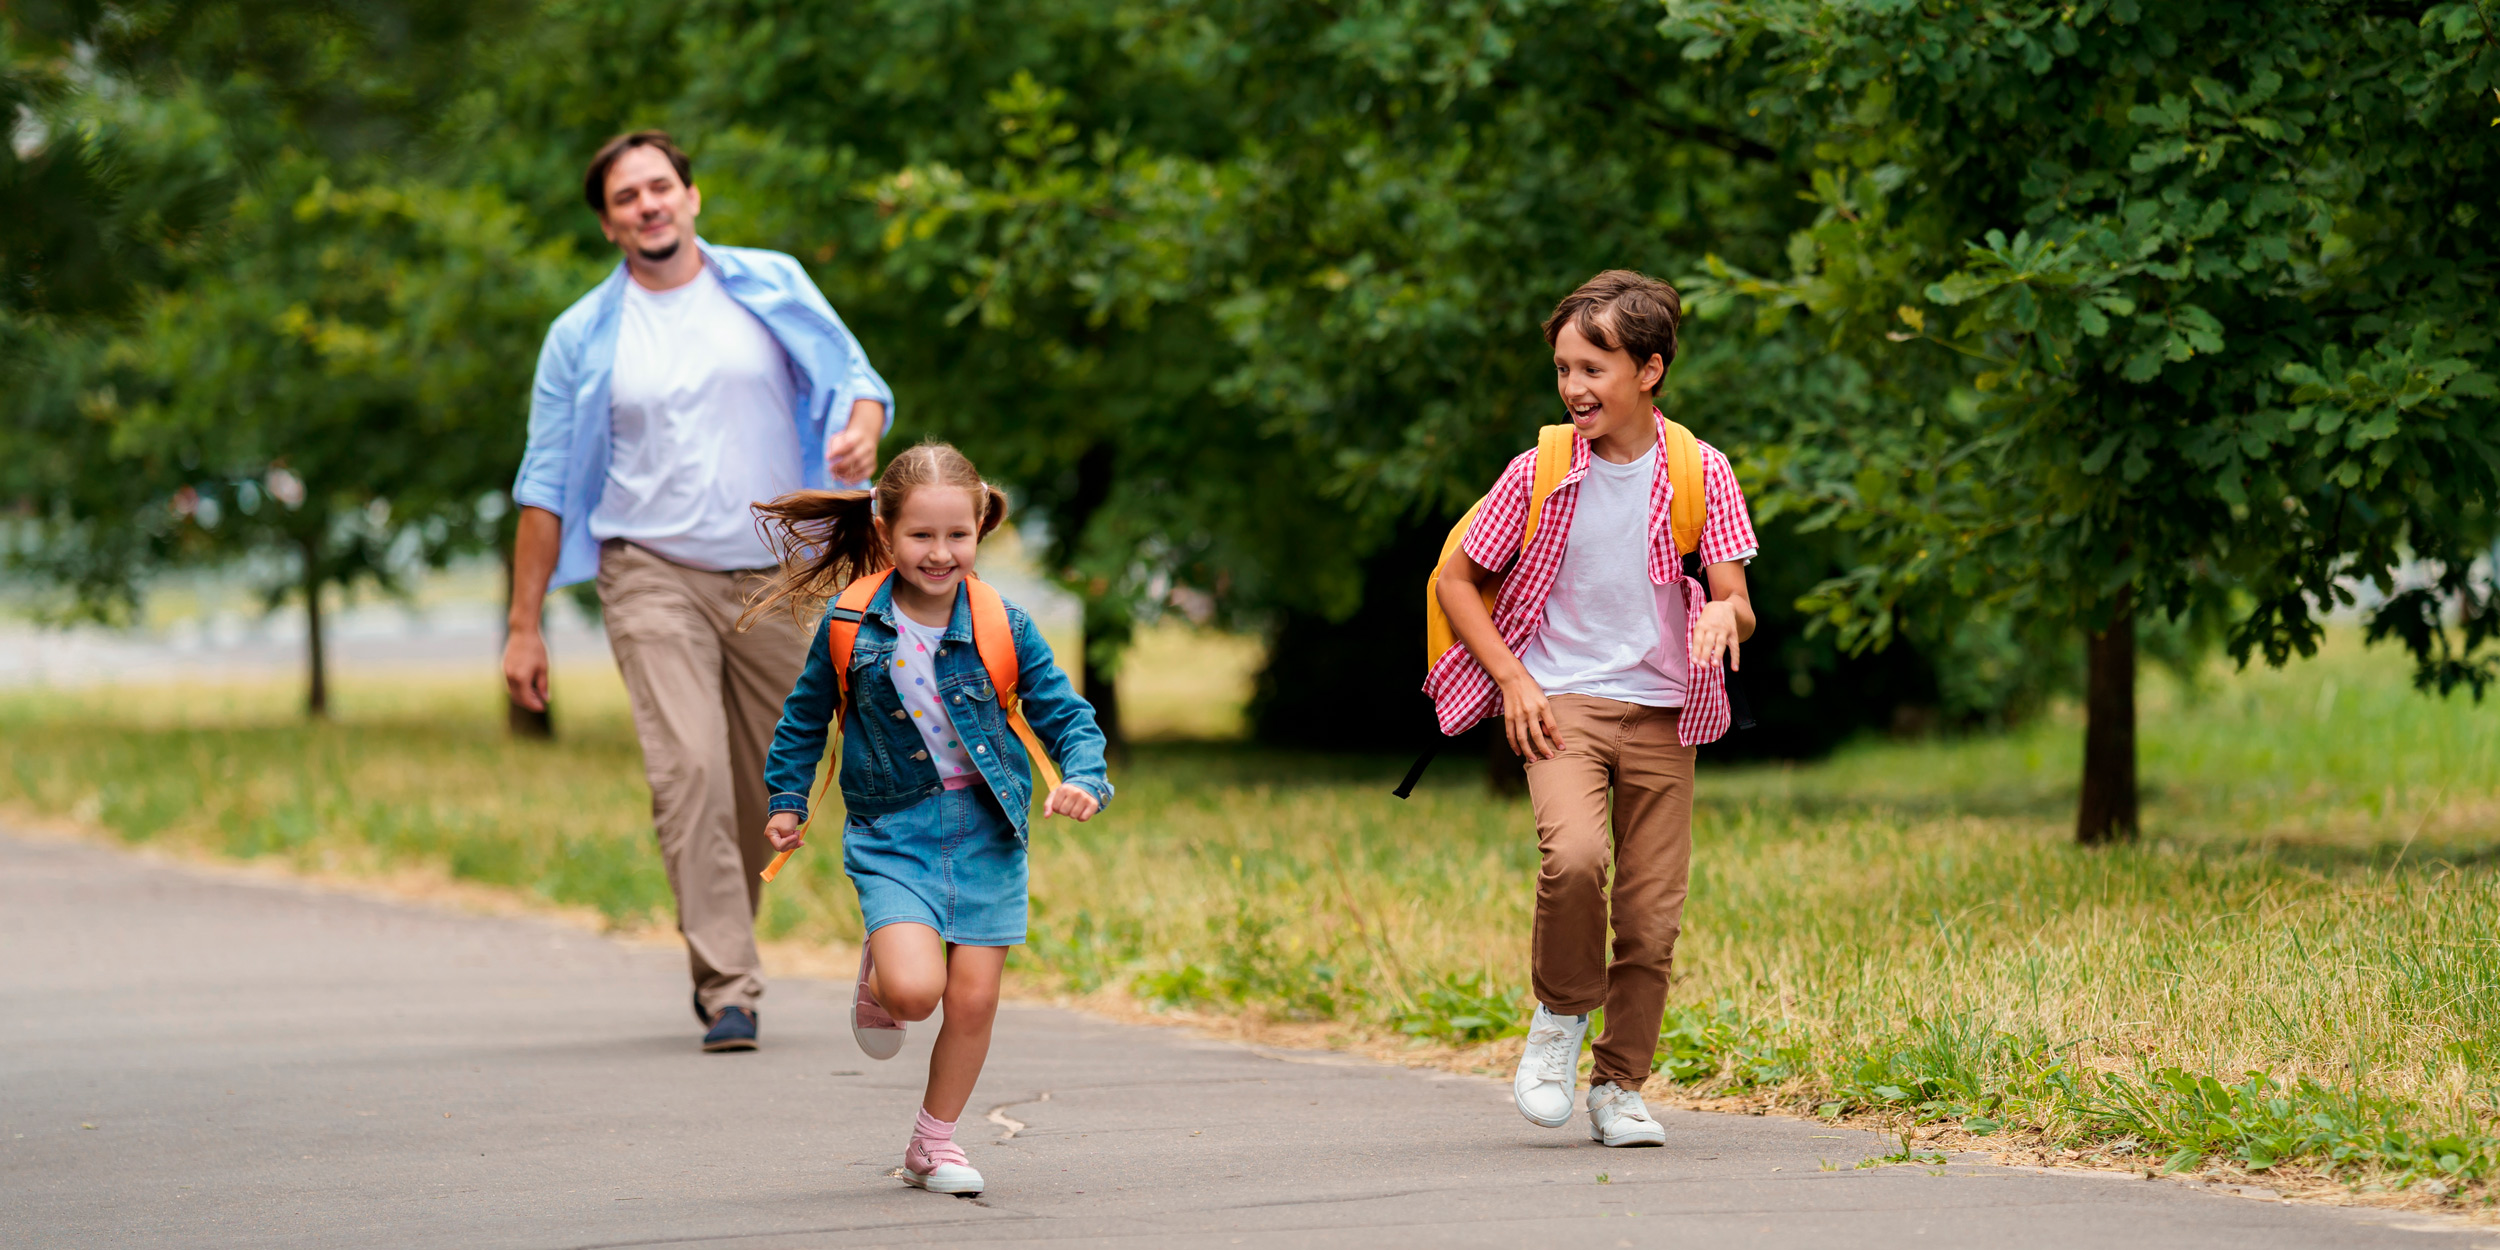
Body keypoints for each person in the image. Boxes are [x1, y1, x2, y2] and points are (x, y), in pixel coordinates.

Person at [502, 130, 896, 1053]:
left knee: (770, 785)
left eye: (660, 187)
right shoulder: (582, 336)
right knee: (687, 770)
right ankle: (730, 985)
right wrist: (525, 629)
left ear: (692, 197)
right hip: (650, 571)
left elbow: (857, 379)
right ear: (608, 225)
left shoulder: (771, 284)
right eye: (626, 196)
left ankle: (732, 934)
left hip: (775, 572)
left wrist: (862, 433)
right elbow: (544, 482)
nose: (647, 205)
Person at [1428, 270, 1759, 1148]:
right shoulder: (1536, 470)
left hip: (1663, 712)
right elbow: (1457, 580)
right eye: (1565, 368)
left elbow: (1736, 597)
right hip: (1558, 704)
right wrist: (1513, 679)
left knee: (1651, 918)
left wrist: (1726, 611)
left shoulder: (1701, 470)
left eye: (1595, 368)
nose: (1575, 386)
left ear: (1649, 370)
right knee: (1573, 859)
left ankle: (1620, 1087)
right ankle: (1561, 1016)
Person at [749, 442, 1113, 1198]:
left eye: (958, 535)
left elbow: (1066, 716)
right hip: (892, 832)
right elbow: (803, 719)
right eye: (922, 536)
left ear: (980, 531)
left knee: (973, 999)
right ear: (885, 531)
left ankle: (934, 1143)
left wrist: (1084, 777)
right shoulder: (852, 624)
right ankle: (884, 968)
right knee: (915, 995)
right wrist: (786, 802)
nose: (940, 553)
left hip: (988, 831)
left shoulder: (1004, 625)